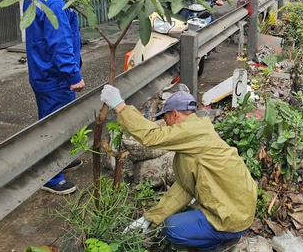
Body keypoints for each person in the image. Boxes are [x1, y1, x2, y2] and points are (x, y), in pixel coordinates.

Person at [100, 87, 257, 250]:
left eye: (166, 118)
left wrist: (119, 106)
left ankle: (217, 246)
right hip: (239, 211)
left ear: (175, 114)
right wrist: (150, 218)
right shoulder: (196, 135)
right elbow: (184, 187)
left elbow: (151, 136)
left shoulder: (193, 130)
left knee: (171, 229)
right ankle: (223, 237)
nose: (166, 124)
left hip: (233, 218)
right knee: (174, 220)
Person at [25, 0, 84, 195]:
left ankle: (62, 160)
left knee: (57, 121)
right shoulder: (56, 3)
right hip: (56, 76)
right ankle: (51, 176)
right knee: (55, 125)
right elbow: (60, 44)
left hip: (41, 72)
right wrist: (74, 76)